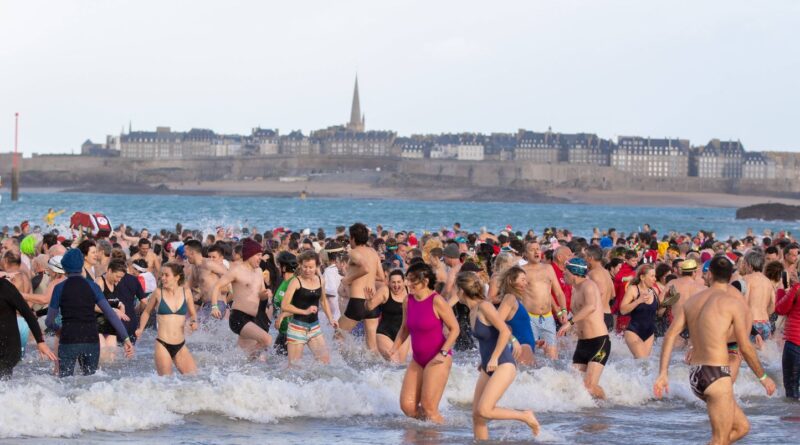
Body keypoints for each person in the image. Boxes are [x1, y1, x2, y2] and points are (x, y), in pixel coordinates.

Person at [655, 255, 776, 445]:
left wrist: (663, 373)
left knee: (742, 428)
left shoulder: (692, 302)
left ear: (709, 274)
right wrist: (763, 377)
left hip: (697, 374)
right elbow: (745, 346)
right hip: (717, 374)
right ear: (730, 277)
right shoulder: (732, 303)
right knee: (720, 439)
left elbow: (670, 336)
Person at [455, 271, 540, 440]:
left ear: (461, 291)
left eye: (456, 289)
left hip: (503, 364)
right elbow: (488, 338)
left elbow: (504, 330)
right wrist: (484, 360)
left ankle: (525, 416)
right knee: (477, 415)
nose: (455, 293)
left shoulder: (484, 306)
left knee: (485, 410)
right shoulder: (472, 311)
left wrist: (494, 357)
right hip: (488, 365)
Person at [45, 249, 134, 377]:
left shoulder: (59, 288)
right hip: (91, 340)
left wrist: (59, 329)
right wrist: (126, 338)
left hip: (69, 339)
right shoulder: (93, 286)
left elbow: (49, 321)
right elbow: (110, 313)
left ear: (64, 268)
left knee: (65, 382)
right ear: (81, 266)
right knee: (91, 380)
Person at [391, 262, 459, 423]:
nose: (408, 284)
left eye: (412, 280)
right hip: (418, 360)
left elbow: (455, 329)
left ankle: (440, 433)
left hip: (438, 358)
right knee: (408, 407)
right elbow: (404, 328)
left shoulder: (437, 301)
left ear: (425, 281)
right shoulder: (408, 300)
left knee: (429, 408)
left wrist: (443, 352)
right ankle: (426, 435)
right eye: (407, 279)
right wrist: (394, 348)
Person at [557, 257, 610, 399]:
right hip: (583, 344)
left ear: (574, 272)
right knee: (574, 385)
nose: (563, 275)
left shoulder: (589, 285)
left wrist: (570, 322)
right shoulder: (575, 289)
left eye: (565, 272)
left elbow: (591, 307)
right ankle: (586, 413)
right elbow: (580, 316)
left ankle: (607, 405)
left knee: (589, 386)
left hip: (599, 343)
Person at [211, 238, 272, 357]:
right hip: (239, 317)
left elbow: (260, 294)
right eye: (258, 255)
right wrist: (214, 307)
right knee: (267, 340)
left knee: (243, 353)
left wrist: (265, 295)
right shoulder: (237, 271)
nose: (261, 258)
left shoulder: (259, 271)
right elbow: (217, 286)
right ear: (249, 254)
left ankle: (230, 368)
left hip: (253, 318)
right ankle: (243, 362)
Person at [136, 263, 198, 375]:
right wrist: (140, 329)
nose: (162, 278)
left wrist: (193, 322)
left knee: (194, 378)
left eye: (166, 275)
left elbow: (193, 314)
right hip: (162, 344)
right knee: (166, 383)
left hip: (181, 344)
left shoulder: (186, 292)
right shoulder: (158, 293)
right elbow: (146, 312)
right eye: (161, 275)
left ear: (177, 277)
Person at [280, 250, 337, 366]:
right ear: (300, 265)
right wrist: (304, 311)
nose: (307, 270)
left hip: (314, 328)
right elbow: (284, 305)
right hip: (297, 328)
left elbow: (323, 301)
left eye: (311, 267)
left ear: (317, 266)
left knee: (325, 362)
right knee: (294, 367)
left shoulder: (321, 280)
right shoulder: (296, 282)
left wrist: (331, 319)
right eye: (305, 267)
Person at [338, 223, 385, 352]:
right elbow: (381, 277)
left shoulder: (353, 252)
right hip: (372, 301)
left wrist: (348, 279)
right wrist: (363, 277)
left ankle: (339, 367)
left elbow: (365, 268)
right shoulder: (373, 253)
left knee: (338, 335)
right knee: (372, 347)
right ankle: (378, 370)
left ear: (353, 238)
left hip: (357, 301)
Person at [0, 278, 56, 379]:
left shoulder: (4, 286)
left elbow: (28, 314)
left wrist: (40, 341)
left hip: (8, 347)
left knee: (3, 380)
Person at [520, 241, 567, 360]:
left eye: (538, 249)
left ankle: (550, 378)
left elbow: (558, 292)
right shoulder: (521, 271)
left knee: (552, 357)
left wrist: (562, 311)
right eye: (532, 249)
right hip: (529, 317)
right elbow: (514, 295)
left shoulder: (548, 268)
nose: (536, 251)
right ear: (525, 254)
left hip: (548, 316)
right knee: (531, 354)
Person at [365, 269, 411, 362]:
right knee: (393, 360)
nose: (396, 285)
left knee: (402, 363)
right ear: (389, 283)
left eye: (399, 282)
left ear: (404, 282)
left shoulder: (409, 291)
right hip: (385, 333)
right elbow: (369, 307)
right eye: (393, 282)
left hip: (403, 333)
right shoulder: (384, 291)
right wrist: (369, 300)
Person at [494, 266, 536, 365]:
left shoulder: (516, 300)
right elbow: (496, 323)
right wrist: (513, 340)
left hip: (526, 345)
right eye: (522, 280)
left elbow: (520, 326)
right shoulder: (510, 298)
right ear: (511, 281)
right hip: (521, 346)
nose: (526, 283)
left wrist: (535, 340)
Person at [619, 264, 661, 359]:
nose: (655, 279)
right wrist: (638, 301)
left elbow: (658, 312)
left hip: (649, 333)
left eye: (655, 276)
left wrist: (667, 300)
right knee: (642, 361)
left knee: (644, 366)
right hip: (634, 331)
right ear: (642, 277)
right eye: (652, 276)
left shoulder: (654, 291)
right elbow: (622, 310)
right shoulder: (633, 289)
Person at [94, 260, 131, 362]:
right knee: (101, 358)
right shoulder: (99, 282)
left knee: (110, 362)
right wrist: (114, 310)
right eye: (117, 276)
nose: (118, 280)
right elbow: (92, 305)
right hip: (97, 326)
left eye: (121, 278)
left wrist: (121, 306)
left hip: (110, 327)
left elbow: (112, 300)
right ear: (109, 271)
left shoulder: (115, 284)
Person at [184, 240, 230, 320]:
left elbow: (229, 275)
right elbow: (187, 287)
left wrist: (227, 289)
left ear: (192, 253)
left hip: (216, 305)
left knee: (195, 327)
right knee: (194, 326)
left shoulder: (208, 264)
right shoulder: (194, 268)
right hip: (206, 305)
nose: (184, 254)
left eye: (185, 252)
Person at [740, 250, 775, 348]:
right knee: (764, 357)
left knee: (748, 355)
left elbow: (744, 303)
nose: (744, 267)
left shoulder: (746, 279)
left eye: (745, 264)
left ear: (750, 265)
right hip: (766, 323)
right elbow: (772, 305)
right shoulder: (768, 281)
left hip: (752, 323)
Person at [776, 270, 800, 399]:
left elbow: (780, 309)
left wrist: (781, 290)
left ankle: (793, 417)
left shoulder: (796, 289)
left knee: (792, 388)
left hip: (795, 343)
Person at [273, 251, 298, 355]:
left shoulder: (294, 283)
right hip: (282, 332)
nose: (277, 268)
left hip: (291, 333)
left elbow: (301, 308)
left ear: (283, 268)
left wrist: (283, 315)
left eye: (278, 265)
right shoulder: (282, 281)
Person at [585, 245, 615, 331]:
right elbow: (613, 294)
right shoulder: (606, 272)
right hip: (608, 315)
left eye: (585, 257)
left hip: (598, 316)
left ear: (590, 258)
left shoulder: (592, 274)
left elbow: (600, 293)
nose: (584, 260)